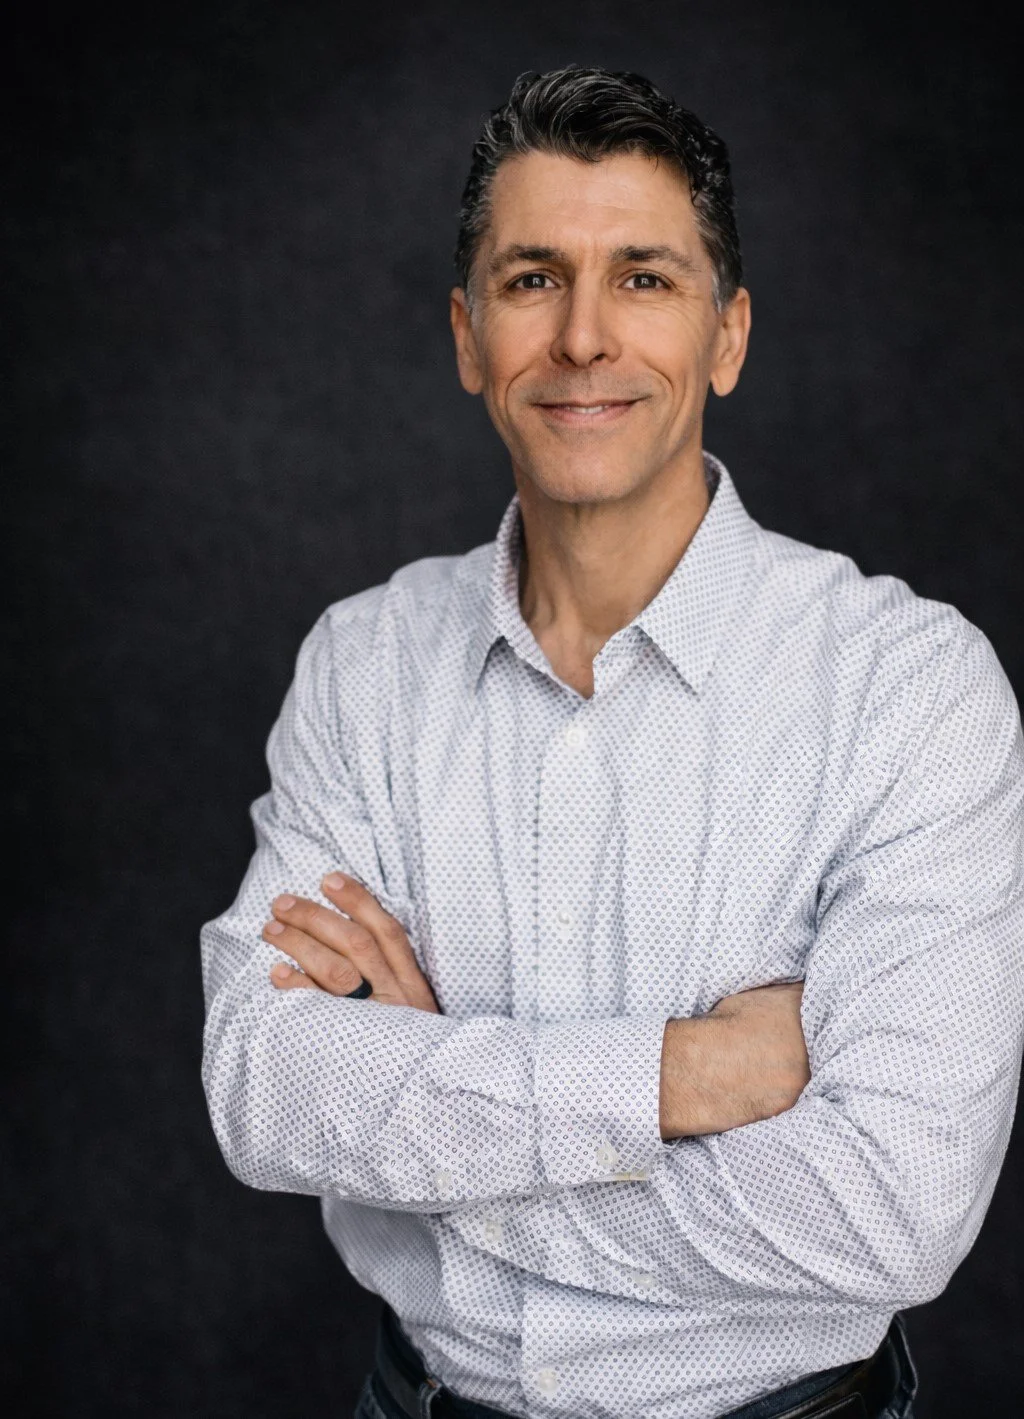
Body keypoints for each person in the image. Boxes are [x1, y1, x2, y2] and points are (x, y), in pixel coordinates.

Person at [200, 65, 1024, 1419]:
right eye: (533, 280)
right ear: (469, 337)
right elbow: (262, 1082)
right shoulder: (364, 662)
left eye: (644, 278)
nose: (585, 337)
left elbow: (893, 1206)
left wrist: (442, 1133)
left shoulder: (908, 688)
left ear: (728, 335)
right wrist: (680, 1076)